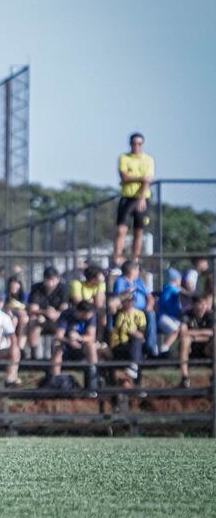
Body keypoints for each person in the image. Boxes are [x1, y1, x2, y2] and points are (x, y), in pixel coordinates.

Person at [113, 132, 154, 265]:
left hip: (142, 199)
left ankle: (135, 259)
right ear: (130, 144)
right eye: (134, 143)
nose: (136, 146)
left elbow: (148, 181)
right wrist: (141, 178)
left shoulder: (148, 160)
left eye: (139, 144)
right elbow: (124, 177)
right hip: (127, 197)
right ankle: (118, 258)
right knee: (121, 229)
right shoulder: (124, 158)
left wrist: (142, 198)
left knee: (138, 230)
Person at [50, 301, 99, 393]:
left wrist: (79, 338)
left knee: (91, 345)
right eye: (87, 314)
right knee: (57, 345)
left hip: (82, 346)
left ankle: (93, 383)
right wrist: (70, 340)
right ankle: (55, 380)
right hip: (66, 346)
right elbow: (59, 335)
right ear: (81, 312)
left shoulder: (91, 316)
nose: (89, 316)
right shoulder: (66, 314)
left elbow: (91, 337)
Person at [113, 260, 158, 356]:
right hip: (128, 310)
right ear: (131, 271)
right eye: (137, 270)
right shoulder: (120, 281)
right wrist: (128, 291)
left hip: (143, 310)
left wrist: (149, 305)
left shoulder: (139, 281)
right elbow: (118, 299)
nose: (139, 272)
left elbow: (149, 296)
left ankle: (151, 347)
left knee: (150, 314)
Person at [27, 266, 69, 359]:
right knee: (34, 321)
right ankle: (34, 356)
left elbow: (64, 308)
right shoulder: (37, 288)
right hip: (41, 318)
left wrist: (56, 314)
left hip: (58, 319)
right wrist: (46, 312)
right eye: (48, 279)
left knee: (61, 326)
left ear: (58, 279)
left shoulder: (63, 288)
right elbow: (33, 308)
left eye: (53, 279)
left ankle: (56, 357)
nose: (50, 283)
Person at [179, 295, 214, 388]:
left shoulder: (210, 315)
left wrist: (193, 336)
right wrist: (203, 334)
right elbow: (183, 332)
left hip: (206, 348)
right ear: (194, 305)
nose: (203, 307)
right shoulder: (186, 315)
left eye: (205, 304)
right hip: (191, 348)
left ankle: (214, 377)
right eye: (201, 304)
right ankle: (185, 377)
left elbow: (212, 332)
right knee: (185, 340)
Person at [110, 294, 146, 384]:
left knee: (136, 341)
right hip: (118, 344)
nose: (129, 303)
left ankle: (134, 367)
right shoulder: (118, 314)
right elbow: (111, 305)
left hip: (133, 344)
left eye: (131, 301)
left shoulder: (140, 314)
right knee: (136, 346)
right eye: (127, 301)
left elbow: (141, 334)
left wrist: (132, 332)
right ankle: (134, 367)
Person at [157, 268, 183, 357]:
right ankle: (163, 350)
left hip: (172, 317)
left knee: (183, 328)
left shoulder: (172, 289)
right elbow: (165, 300)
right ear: (176, 279)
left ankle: (179, 352)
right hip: (164, 317)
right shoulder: (170, 288)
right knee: (175, 330)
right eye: (179, 279)